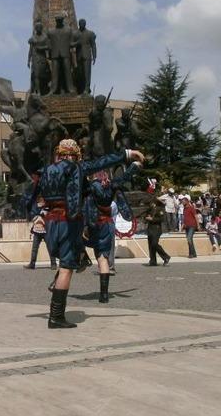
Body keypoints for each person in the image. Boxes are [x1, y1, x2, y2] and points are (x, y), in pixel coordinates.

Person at [28, 139, 144, 329]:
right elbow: (102, 162)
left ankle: (57, 301)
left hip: (50, 222)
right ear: (75, 155)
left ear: (59, 153)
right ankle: (56, 316)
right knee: (66, 267)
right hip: (68, 221)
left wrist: (36, 216)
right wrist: (127, 154)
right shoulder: (76, 167)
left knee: (66, 261)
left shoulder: (45, 171)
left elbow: (29, 196)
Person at [83, 162, 139, 303]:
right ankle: (104, 295)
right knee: (103, 259)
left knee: (76, 243)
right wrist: (134, 166)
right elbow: (123, 178)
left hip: (94, 225)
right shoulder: (111, 186)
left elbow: (84, 207)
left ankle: (81, 259)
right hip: (108, 225)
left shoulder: (91, 187)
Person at [141, 181, 171, 266]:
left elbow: (161, 219)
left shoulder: (160, 207)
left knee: (154, 244)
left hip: (157, 228)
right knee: (150, 245)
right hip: (150, 227)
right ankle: (153, 261)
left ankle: (166, 257)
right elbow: (146, 214)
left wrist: (152, 219)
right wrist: (146, 218)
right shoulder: (151, 206)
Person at [26, 198, 56, 270]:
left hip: (46, 230)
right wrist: (38, 214)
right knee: (35, 248)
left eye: (42, 201)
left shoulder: (48, 207)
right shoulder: (35, 208)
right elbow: (32, 216)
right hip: (37, 230)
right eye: (40, 201)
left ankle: (53, 264)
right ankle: (32, 264)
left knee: (50, 247)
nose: (41, 202)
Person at [73, 18, 97, 95]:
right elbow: (71, 44)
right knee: (80, 73)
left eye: (83, 23)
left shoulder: (90, 33)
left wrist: (94, 56)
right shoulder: (75, 34)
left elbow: (93, 45)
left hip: (87, 56)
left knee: (87, 73)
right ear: (78, 24)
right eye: (80, 23)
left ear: (85, 24)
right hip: (78, 56)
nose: (81, 25)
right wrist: (77, 43)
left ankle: (87, 88)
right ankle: (81, 88)